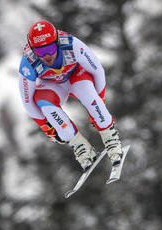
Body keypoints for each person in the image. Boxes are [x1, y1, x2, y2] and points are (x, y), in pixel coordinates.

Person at [19, 20, 123, 170]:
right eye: (40, 52)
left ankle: (110, 138)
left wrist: (100, 100)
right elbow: (27, 101)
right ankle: (80, 147)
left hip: (76, 76)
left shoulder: (71, 44)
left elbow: (97, 70)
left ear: (57, 42)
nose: (47, 55)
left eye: (50, 48)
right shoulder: (28, 61)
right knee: (43, 103)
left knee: (89, 92)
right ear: (33, 51)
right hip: (52, 85)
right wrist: (47, 127)